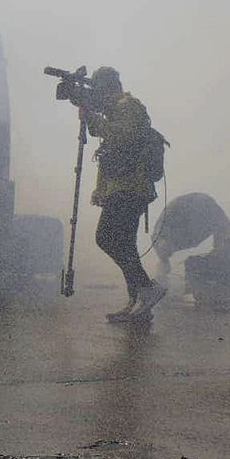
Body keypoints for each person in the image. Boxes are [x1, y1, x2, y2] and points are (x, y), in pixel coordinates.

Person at [79, 67, 167, 323]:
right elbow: (108, 151)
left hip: (132, 187)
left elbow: (120, 136)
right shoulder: (117, 111)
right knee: (124, 243)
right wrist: (101, 189)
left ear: (108, 88)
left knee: (106, 237)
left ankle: (146, 288)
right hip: (122, 188)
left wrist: (92, 117)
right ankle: (138, 301)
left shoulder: (129, 106)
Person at [150, 192, 230, 279]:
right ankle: (162, 275)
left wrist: (219, 248)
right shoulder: (167, 225)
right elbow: (225, 225)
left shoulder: (208, 211)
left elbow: (225, 226)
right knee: (163, 248)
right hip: (178, 225)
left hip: (195, 213)